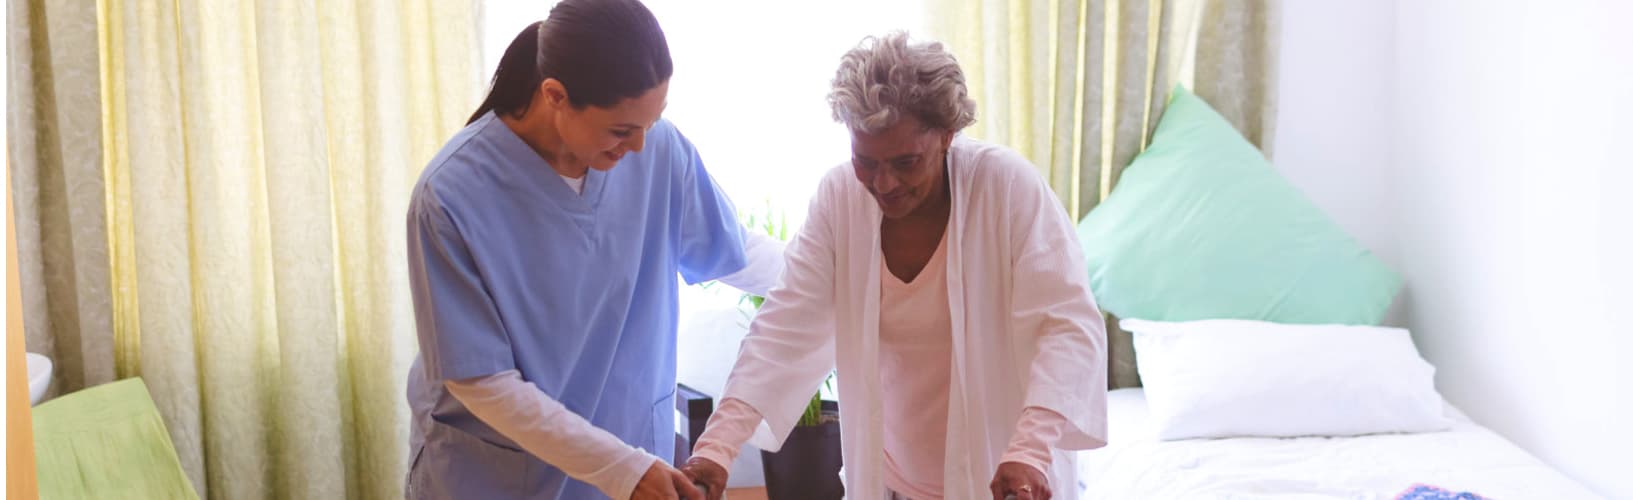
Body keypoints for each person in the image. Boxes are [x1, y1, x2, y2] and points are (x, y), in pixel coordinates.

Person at [682, 32, 1108, 500]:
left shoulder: (1006, 187)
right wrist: (717, 448)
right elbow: (784, 328)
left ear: (947, 135)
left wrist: (1030, 451)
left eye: (906, 162)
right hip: (890, 480)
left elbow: (1065, 328)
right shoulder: (841, 197)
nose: (884, 183)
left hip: (1005, 473)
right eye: (866, 161)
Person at [403, 1, 780, 498]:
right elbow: (481, 381)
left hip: (630, 461)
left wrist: (851, 274)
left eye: (653, 121)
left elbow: (738, 252)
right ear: (555, 96)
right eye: (621, 130)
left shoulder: (659, 150)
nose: (641, 146)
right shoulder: (450, 197)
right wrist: (622, 469)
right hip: (498, 476)